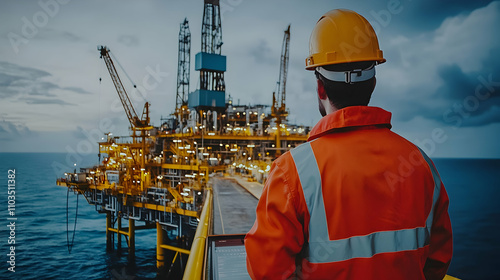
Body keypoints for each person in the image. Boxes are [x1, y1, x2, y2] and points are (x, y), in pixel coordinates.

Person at [245, 9, 452, 280]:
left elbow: (266, 270)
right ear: (373, 83)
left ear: (321, 89)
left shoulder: (292, 173)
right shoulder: (422, 165)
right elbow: (437, 261)